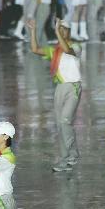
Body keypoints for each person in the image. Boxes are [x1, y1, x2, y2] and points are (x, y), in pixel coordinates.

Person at [27, 18, 82, 172]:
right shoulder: (55, 51)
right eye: (60, 28)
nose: (62, 31)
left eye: (64, 29)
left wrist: (56, 31)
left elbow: (67, 50)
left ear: (69, 32)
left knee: (65, 121)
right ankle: (68, 156)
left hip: (73, 88)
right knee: (60, 125)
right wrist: (33, 31)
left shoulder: (76, 47)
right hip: (59, 89)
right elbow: (35, 49)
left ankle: (69, 158)